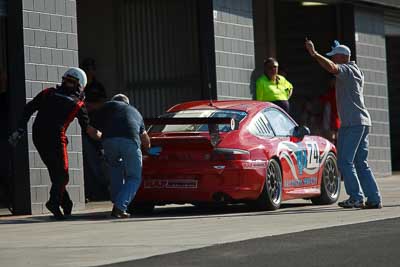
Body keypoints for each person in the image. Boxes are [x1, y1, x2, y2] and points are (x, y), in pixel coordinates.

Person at [8, 67, 102, 219]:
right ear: (80, 86)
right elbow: (88, 130)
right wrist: (102, 140)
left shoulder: (48, 92)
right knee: (62, 175)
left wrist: (19, 130)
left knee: (55, 172)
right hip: (55, 138)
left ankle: (66, 203)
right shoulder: (78, 104)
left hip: (38, 136)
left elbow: (28, 109)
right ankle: (53, 202)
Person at [305, 39, 382, 209]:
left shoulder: (346, 69)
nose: (333, 59)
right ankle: (374, 198)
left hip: (352, 123)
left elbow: (332, 67)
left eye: (335, 56)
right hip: (361, 121)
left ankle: (355, 197)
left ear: (342, 57)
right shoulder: (356, 70)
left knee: (345, 161)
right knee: (361, 163)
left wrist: (314, 54)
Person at [96, 94, 150, 218]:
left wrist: (103, 140)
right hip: (130, 142)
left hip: (108, 141)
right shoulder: (134, 111)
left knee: (115, 169)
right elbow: (145, 139)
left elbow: (91, 129)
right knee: (134, 177)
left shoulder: (106, 107)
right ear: (127, 103)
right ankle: (120, 207)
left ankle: (116, 201)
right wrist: (147, 150)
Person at [80, 58, 109, 202]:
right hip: (84, 128)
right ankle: (92, 191)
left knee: (101, 159)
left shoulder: (98, 86)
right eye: (86, 68)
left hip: (98, 127)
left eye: (90, 68)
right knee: (88, 161)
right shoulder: (80, 86)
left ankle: (103, 190)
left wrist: (88, 106)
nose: (89, 71)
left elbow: (103, 104)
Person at [319, 78, 340, 145]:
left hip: (334, 118)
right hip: (335, 117)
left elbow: (323, 99)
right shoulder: (335, 92)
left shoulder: (334, 92)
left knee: (333, 134)